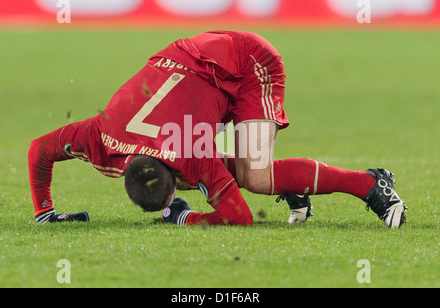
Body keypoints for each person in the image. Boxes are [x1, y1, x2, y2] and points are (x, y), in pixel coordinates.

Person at [28, 31, 407, 228]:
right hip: (199, 56)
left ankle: (371, 185)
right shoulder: (99, 132)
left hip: (245, 62)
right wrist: (43, 210)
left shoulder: (188, 152)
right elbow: (40, 150)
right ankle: (295, 184)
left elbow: (238, 216)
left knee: (255, 176)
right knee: (240, 167)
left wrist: (184, 217)